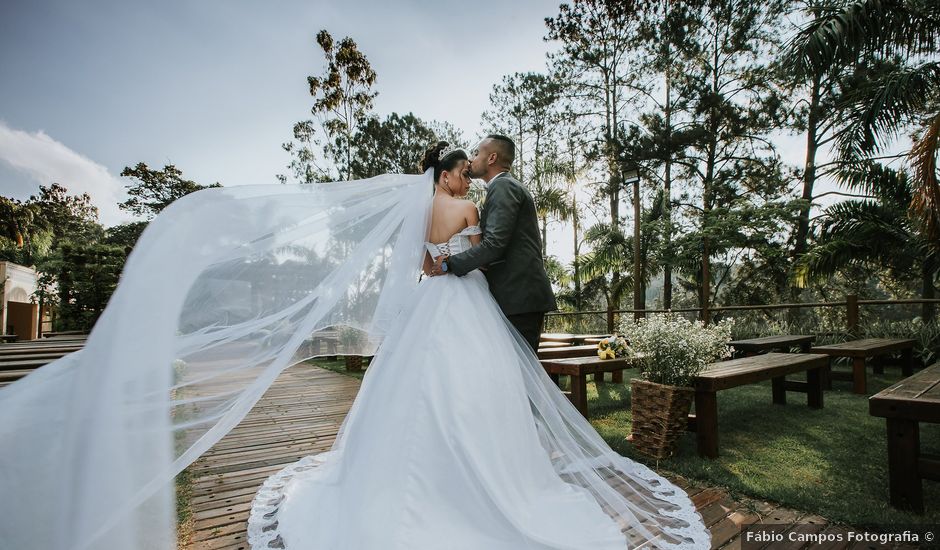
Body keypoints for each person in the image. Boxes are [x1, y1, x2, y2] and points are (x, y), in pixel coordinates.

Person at [245, 142, 711, 549]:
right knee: (481, 381)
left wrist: (441, 264)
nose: (468, 180)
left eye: (471, 172)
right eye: (463, 173)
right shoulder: (466, 211)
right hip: (466, 297)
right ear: (445, 174)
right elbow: (483, 258)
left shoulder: (418, 212)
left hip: (429, 300)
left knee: (411, 382)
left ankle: (397, 475)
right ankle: (491, 470)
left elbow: (427, 264)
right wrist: (469, 268)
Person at [430, 135, 555, 353]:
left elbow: (494, 244)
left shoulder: (503, 187)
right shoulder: (503, 188)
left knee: (520, 375)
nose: (472, 159)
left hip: (518, 296)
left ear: (492, 158)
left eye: (477, 153)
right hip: (514, 297)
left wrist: (448, 263)